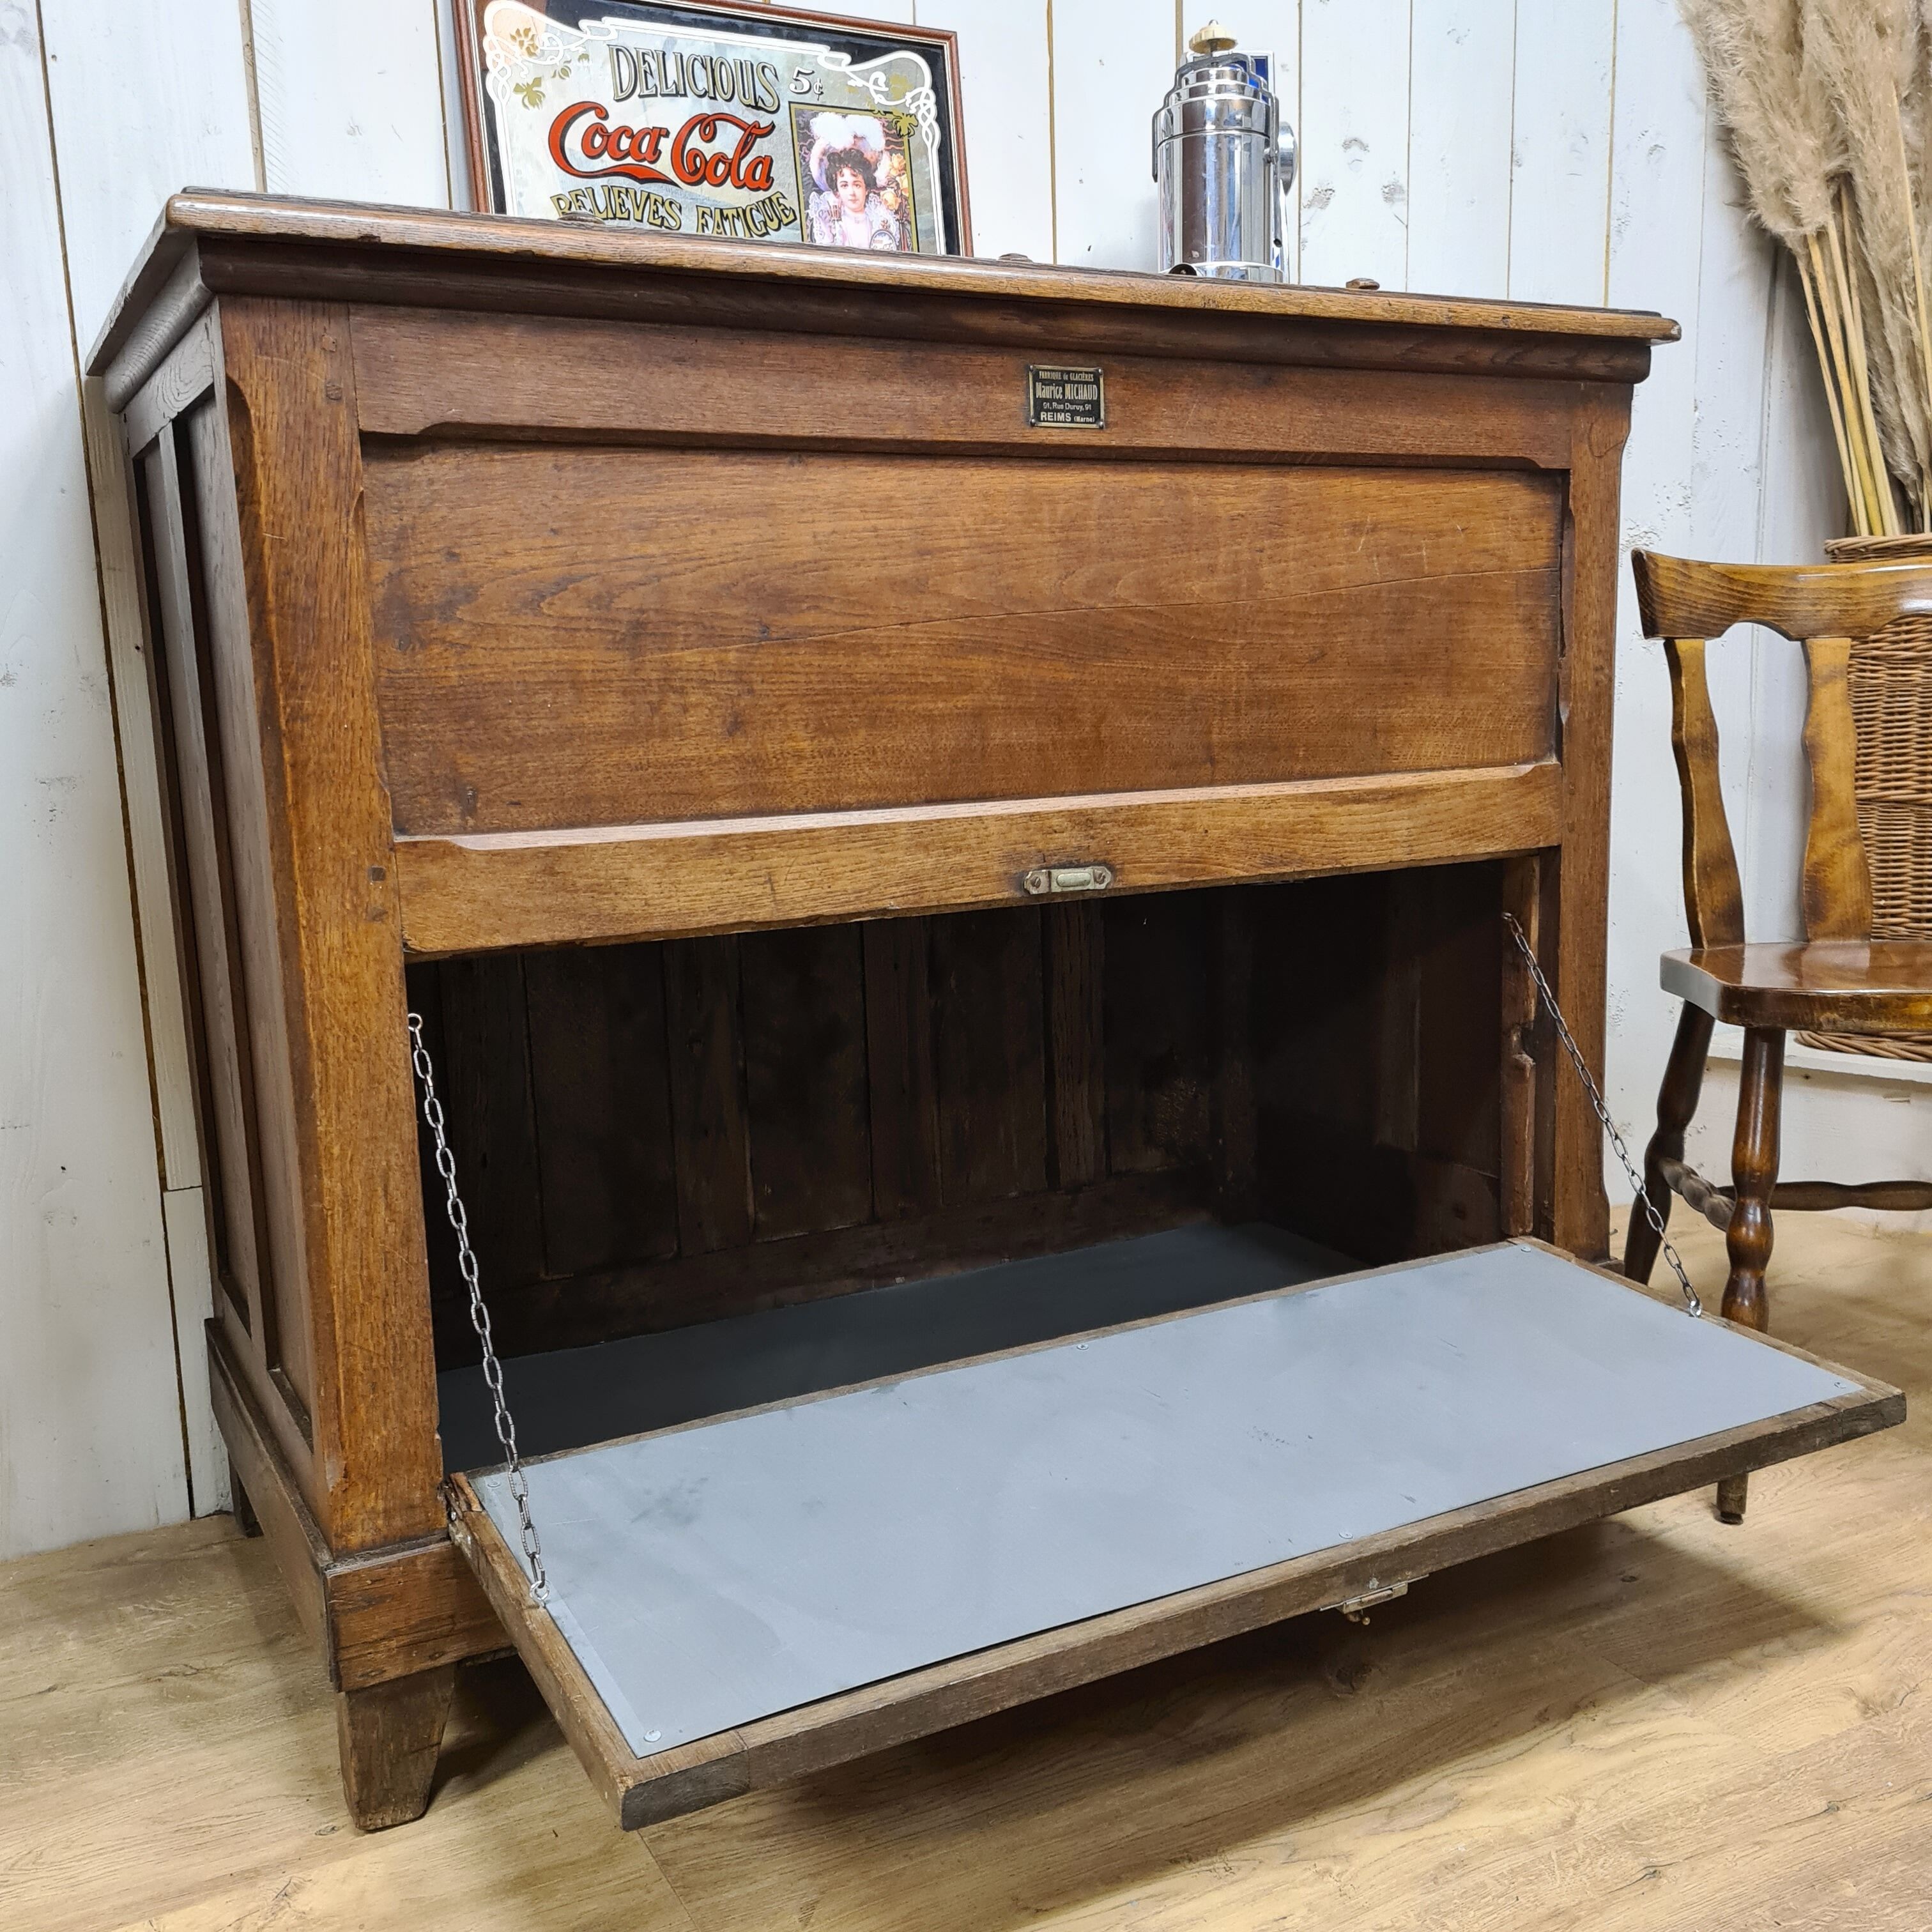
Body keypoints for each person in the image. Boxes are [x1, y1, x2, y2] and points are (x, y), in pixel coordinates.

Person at [806, 122, 904, 251]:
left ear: (867, 189)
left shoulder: (880, 219)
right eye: (844, 185)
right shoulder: (831, 224)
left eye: (857, 185)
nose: (852, 192)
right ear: (837, 192)